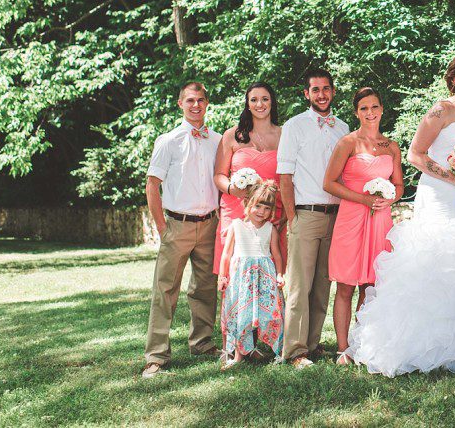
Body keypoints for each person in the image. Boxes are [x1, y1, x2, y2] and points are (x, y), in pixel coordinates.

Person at [345, 55, 455, 376]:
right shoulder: (440, 110)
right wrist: (453, 176)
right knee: (435, 257)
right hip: (440, 193)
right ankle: (418, 341)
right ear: (452, 79)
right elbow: (416, 153)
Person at [141, 82, 221, 378]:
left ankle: (202, 342)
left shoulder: (217, 140)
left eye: (200, 99)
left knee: (205, 288)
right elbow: (152, 185)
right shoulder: (169, 140)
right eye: (190, 100)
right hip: (177, 224)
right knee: (165, 290)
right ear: (180, 104)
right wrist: (162, 227)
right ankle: (156, 356)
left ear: (207, 102)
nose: (196, 105)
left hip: (210, 224)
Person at [324, 87, 404, 365]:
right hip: (351, 217)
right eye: (363, 108)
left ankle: (361, 343)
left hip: (380, 220)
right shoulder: (348, 143)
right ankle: (342, 348)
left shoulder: (391, 146)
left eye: (374, 107)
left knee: (370, 285)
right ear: (356, 112)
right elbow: (329, 183)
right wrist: (363, 199)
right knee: (346, 284)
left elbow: (399, 185)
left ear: (382, 109)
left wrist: (390, 198)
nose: (370, 113)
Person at [278, 68, 350, 368]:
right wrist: (292, 216)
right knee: (299, 285)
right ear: (306, 94)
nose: (321, 94)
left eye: (326, 89)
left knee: (323, 284)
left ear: (333, 91)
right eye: (315, 90)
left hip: (336, 216)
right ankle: (295, 350)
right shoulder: (294, 126)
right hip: (306, 215)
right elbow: (284, 175)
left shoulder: (343, 128)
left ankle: (313, 342)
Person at [213, 82, 285, 277]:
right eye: (254, 100)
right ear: (247, 104)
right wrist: (231, 189)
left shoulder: (284, 135)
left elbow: (291, 178)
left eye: (264, 99)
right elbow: (218, 175)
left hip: (271, 211)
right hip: (237, 209)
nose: (259, 104)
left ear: (272, 103)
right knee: (234, 271)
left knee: (271, 270)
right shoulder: (232, 136)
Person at [217, 181, 286, 370]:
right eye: (257, 206)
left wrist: (280, 274)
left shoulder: (270, 229)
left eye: (266, 208)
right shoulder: (236, 225)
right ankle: (238, 354)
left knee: (270, 312)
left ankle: (277, 350)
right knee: (241, 313)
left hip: (264, 277)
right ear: (248, 203)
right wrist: (223, 277)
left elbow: (277, 254)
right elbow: (227, 254)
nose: (261, 212)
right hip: (241, 278)